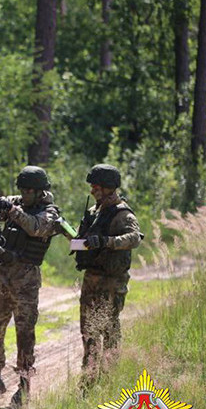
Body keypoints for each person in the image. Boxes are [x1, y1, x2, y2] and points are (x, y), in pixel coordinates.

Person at [0, 166, 61, 406]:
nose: (24, 194)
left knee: (24, 334)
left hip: (25, 279)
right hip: (1, 276)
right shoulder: (17, 202)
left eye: (29, 191)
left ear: (40, 192)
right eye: (22, 190)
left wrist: (11, 211)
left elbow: (36, 227)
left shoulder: (50, 212)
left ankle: (24, 386)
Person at [75, 164, 143, 385]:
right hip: (91, 279)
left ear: (108, 188)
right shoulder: (95, 212)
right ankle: (89, 378)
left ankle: (110, 378)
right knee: (88, 330)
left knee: (109, 329)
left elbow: (135, 237)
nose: (92, 190)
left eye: (95, 186)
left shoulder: (122, 213)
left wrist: (108, 242)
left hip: (111, 281)